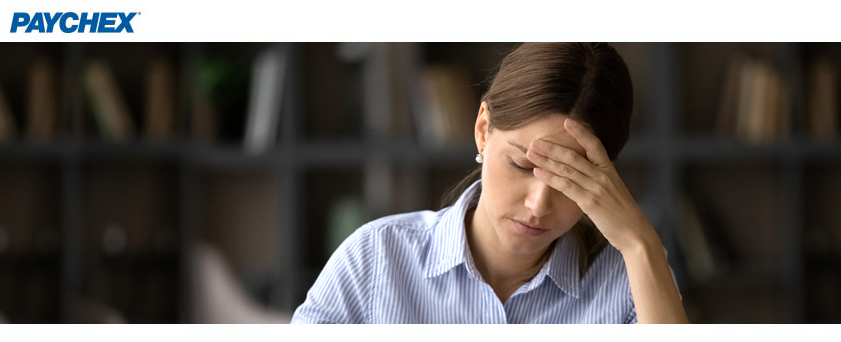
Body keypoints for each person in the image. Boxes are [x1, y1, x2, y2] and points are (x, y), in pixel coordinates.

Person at [291, 42, 688, 324]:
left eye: (572, 181)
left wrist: (640, 243)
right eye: (521, 165)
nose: (538, 204)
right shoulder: (375, 260)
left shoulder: (633, 278)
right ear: (483, 130)